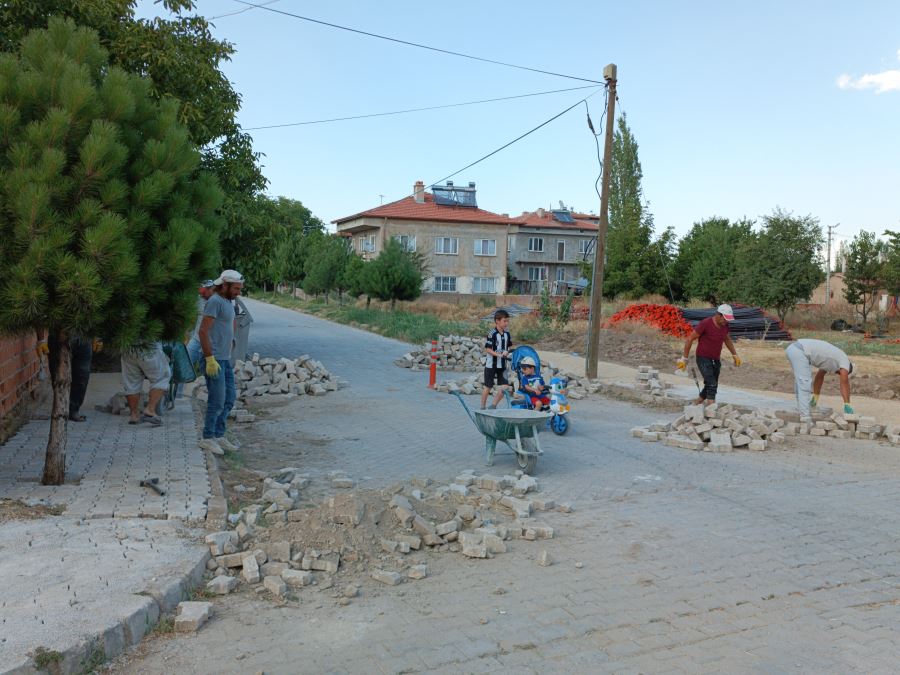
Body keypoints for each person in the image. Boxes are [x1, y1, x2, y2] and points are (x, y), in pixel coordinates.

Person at [198, 269, 244, 455]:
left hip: (224, 359)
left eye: (240, 288)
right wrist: (209, 358)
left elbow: (230, 322)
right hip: (214, 359)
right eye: (236, 288)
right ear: (224, 285)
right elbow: (203, 331)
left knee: (229, 399)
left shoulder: (228, 302)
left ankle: (218, 434)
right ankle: (207, 438)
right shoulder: (215, 301)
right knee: (216, 401)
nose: (238, 292)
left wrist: (232, 340)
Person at [677, 303, 742, 405]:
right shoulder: (706, 323)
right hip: (703, 358)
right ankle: (711, 408)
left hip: (715, 359)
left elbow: (727, 339)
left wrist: (735, 355)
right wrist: (684, 359)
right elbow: (690, 339)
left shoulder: (725, 326)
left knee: (711, 383)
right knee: (711, 384)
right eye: (725, 319)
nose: (726, 321)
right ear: (718, 315)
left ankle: (696, 403)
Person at [785, 338, 854, 421]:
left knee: (800, 382)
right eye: (842, 373)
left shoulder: (832, 361)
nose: (839, 374)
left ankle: (802, 410)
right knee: (804, 383)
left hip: (794, 349)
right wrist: (847, 404)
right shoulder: (845, 361)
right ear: (849, 369)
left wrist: (815, 396)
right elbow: (844, 383)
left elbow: (819, 377)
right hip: (800, 351)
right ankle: (805, 418)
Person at [42, 334, 102, 422]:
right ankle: (60, 410)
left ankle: (74, 409)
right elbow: (41, 321)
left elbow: (98, 320)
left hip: (84, 338)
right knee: (58, 377)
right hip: (59, 339)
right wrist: (41, 341)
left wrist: (97, 336)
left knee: (82, 376)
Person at [121, 342, 170, 425]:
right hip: (149, 346)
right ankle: (150, 409)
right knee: (161, 378)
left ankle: (134, 415)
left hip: (127, 347)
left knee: (131, 383)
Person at [480, 309, 512, 410]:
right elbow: (488, 349)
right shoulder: (492, 333)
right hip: (491, 365)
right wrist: (498, 355)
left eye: (507, 321)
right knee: (488, 386)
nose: (506, 323)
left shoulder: (507, 334)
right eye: (504, 321)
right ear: (497, 321)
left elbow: (509, 347)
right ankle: (482, 408)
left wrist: (507, 351)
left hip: (503, 366)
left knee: (505, 387)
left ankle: (493, 405)